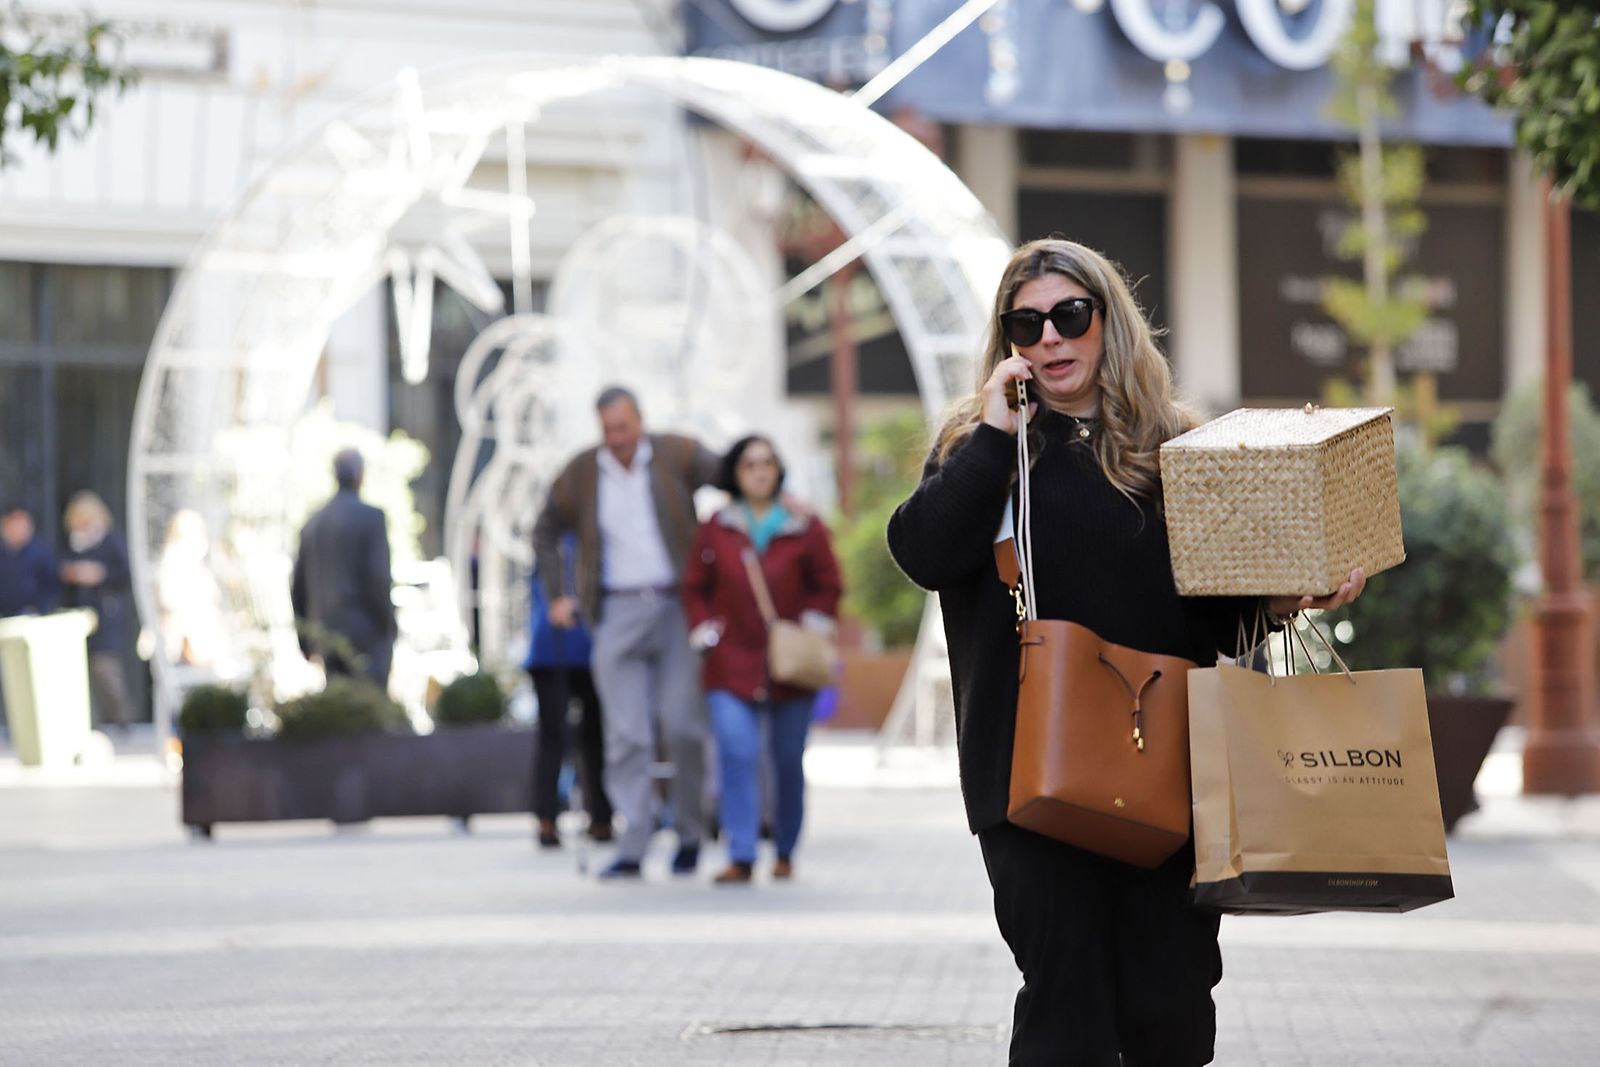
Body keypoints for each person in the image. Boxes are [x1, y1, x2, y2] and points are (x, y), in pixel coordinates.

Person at [887, 238, 1368, 1066]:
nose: (1050, 338)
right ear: (1007, 340)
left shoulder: (1172, 448)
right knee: (1065, 1002)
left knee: (1170, 1004)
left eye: (1070, 315)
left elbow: (1210, 622)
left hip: (1165, 772)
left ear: (1109, 322)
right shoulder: (984, 446)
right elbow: (926, 554)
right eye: (1026, 323)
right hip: (1030, 779)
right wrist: (999, 434)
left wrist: (1288, 600)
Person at [532, 386, 721, 880]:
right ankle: (633, 842)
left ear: (640, 421)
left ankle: (689, 833)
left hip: (676, 604)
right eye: (608, 430)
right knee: (626, 735)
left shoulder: (676, 451)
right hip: (614, 610)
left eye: (623, 427)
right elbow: (545, 528)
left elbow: (731, 471)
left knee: (681, 727)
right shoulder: (581, 472)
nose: (616, 439)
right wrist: (558, 594)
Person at [682, 435, 842, 885]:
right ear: (735, 472)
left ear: (778, 469)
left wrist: (814, 622)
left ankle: (786, 849)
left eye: (767, 463)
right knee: (737, 753)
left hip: (789, 661)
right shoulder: (716, 526)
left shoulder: (804, 524)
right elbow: (695, 586)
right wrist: (705, 628)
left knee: (787, 759)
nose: (759, 471)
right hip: (730, 661)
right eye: (749, 464)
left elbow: (828, 583)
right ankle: (742, 852)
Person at [525, 533, 613, 848]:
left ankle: (600, 816)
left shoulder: (592, 537)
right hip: (554, 649)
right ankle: (550, 819)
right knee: (559, 736)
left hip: (587, 650)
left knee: (591, 735)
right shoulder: (556, 543)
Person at [291, 449, 395, 689]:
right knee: (371, 711)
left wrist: (305, 641)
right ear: (360, 476)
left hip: (325, 633)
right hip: (366, 634)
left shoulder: (313, 522)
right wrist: (388, 626)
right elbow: (378, 579)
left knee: (340, 706)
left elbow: (297, 588)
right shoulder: (371, 518)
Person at [59, 492, 136, 730]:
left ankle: (123, 717)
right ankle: (92, 724)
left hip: (107, 615)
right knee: (83, 673)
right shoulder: (75, 544)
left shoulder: (110, 542)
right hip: (80, 615)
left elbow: (125, 574)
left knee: (106, 668)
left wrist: (98, 573)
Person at [0, 505, 60, 617]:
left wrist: (39, 607)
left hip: (32, 617)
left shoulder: (42, 554)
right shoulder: (3, 555)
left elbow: (51, 586)